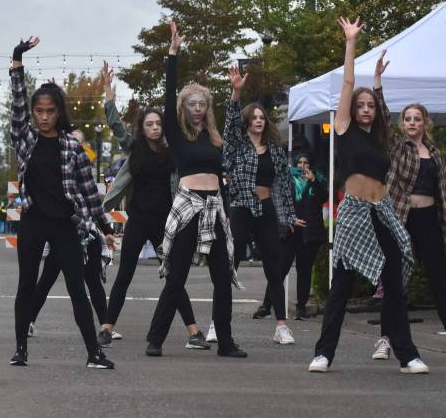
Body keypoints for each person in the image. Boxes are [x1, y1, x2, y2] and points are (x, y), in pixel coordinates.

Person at [308, 20, 427, 374]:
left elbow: (389, 118)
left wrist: (378, 85)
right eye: (360, 105)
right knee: (341, 286)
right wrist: (351, 43)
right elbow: (347, 82)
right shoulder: (343, 130)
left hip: (382, 211)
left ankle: (407, 354)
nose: (365, 109)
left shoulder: (380, 139)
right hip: (355, 212)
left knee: (393, 284)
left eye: (369, 106)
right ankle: (323, 353)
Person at [8, 36, 115, 370]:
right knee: (26, 284)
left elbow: (88, 191)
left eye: (49, 112)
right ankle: (20, 348)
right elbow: (16, 107)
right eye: (38, 111)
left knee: (76, 288)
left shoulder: (72, 146)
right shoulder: (25, 139)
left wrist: (104, 226)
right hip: (34, 220)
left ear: (59, 113)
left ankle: (94, 352)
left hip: (67, 224)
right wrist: (17, 63)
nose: (42, 117)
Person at [146, 21, 245, 359]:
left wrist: (235, 93)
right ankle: (155, 339)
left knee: (223, 275)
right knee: (177, 276)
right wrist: (172, 54)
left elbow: (233, 127)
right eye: (192, 103)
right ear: (184, 108)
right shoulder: (175, 133)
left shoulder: (216, 139)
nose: (198, 107)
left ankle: (226, 342)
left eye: (202, 103)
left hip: (215, 205)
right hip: (188, 204)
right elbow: (169, 91)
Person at [97, 61, 207, 350]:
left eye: (158, 123)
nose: (155, 127)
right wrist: (109, 91)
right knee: (125, 274)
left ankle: (194, 332)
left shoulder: (173, 153)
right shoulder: (135, 148)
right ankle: (107, 327)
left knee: (173, 276)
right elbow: (114, 123)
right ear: (142, 128)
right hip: (138, 221)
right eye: (149, 124)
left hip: (166, 223)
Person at [369, 62, 446, 362]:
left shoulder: (436, 155)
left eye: (418, 119)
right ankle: (385, 340)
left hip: (428, 221)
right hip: (400, 219)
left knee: (438, 281)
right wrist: (378, 81)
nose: (412, 123)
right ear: (403, 124)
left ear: (426, 123)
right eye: (408, 119)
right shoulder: (398, 146)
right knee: (394, 281)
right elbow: (383, 119)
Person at [224, 67, 300, 346]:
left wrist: (289, 215)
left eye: (261, 117)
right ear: (246, 122)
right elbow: (230, 125)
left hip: (266, 208)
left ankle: (281, 326)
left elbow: (283, 185)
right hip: (242, 207)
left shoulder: (276, 150)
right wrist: (236, 92)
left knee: (275, 268)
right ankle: (216, 322)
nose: (258, 120)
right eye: (253, 117)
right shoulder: (237, 146)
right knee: (231, 264)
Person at [26, 127, 114, 342]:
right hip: (62, 230)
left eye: (79, 143)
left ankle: (106, 325)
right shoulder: (55, 167)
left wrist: (107, 229)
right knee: (48, 278)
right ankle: (28, 320)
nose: (73, 146)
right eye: (70, 141)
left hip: (85, 231)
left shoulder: (82, 167)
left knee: (92, 279)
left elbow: (93, 199)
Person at [255, 152, 326, 320]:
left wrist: (314, 180)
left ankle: (301, 308)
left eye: (306, 162)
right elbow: (278, 200)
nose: (302, 165)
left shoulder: (317, 179)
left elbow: (323, 198)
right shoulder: (286, 179)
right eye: (299, 162)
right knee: (279, 270)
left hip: (310, 233)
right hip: (290, 232)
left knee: (305, 272)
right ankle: (267, 305)